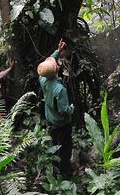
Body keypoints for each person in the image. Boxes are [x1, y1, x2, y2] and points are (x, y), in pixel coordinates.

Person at [38, 38, 75, 178]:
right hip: (62, 123)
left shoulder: (43, 79)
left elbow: (47, 65)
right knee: (65, 148)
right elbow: (64, 109)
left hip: (51, 121)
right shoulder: (59, 89)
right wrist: (71, 109)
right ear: (56, 70)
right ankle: (66, 173)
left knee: (55, 145)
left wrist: (58, 51)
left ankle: (56, 169)